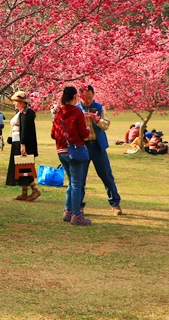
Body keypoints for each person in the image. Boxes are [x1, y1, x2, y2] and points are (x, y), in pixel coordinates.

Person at [78, 84, 123, 215]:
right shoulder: (76, 109)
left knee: (107, 176)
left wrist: (96, 120)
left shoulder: (99, 107)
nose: (88, 100)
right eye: (85, 98)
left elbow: (106, 125)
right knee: (80, 178)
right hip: (82, 147)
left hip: (97, 146)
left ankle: (115, 204)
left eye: (90, 98)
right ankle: (79, 205)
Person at [51, 86, 92, 225]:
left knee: (71, 181)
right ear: (74, 97)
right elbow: (84, 133)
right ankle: (76, 214)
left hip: (61, 151)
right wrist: (86, 129)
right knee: (76, 183)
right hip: (74, 150)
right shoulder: (77, 112)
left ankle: (68, 211)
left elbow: (53, 134)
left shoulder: (59, 113)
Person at [6, 91, 39, 202]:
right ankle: (24, 193)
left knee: (24, 168)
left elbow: (24, 130)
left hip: (22, 143)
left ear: (21, 102)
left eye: (16, 101)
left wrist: (23, 145)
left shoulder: (26, 114)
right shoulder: (21, 112)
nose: (15, 103)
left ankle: (35, 190)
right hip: (17, 141)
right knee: (20, 167)